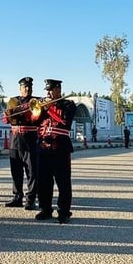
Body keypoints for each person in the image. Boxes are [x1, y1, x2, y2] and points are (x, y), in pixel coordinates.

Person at [33, 79, 77, 223]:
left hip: (61, 147)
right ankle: (45, 209)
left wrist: (50, 107)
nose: (48, 93)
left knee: (63, 181)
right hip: (43, 147)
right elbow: (33, 120)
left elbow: (64, 121)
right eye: (47, 90)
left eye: (51, 90)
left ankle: (64, 211)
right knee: (43, 181)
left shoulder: (68, 105)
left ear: (58, 90)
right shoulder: (42, 105)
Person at [4, 77, 40, 209]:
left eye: (29, 87)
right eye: (25, 87)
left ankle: (30, 199)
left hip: (30, 139)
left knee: (31, 171)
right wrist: (9, 113)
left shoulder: (36, 101)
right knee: (16, 171)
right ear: (20, 88)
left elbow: (38, 117)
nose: (27, 89)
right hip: (15, 139)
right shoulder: (13, 101)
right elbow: (7, 119)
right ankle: (17, 197)